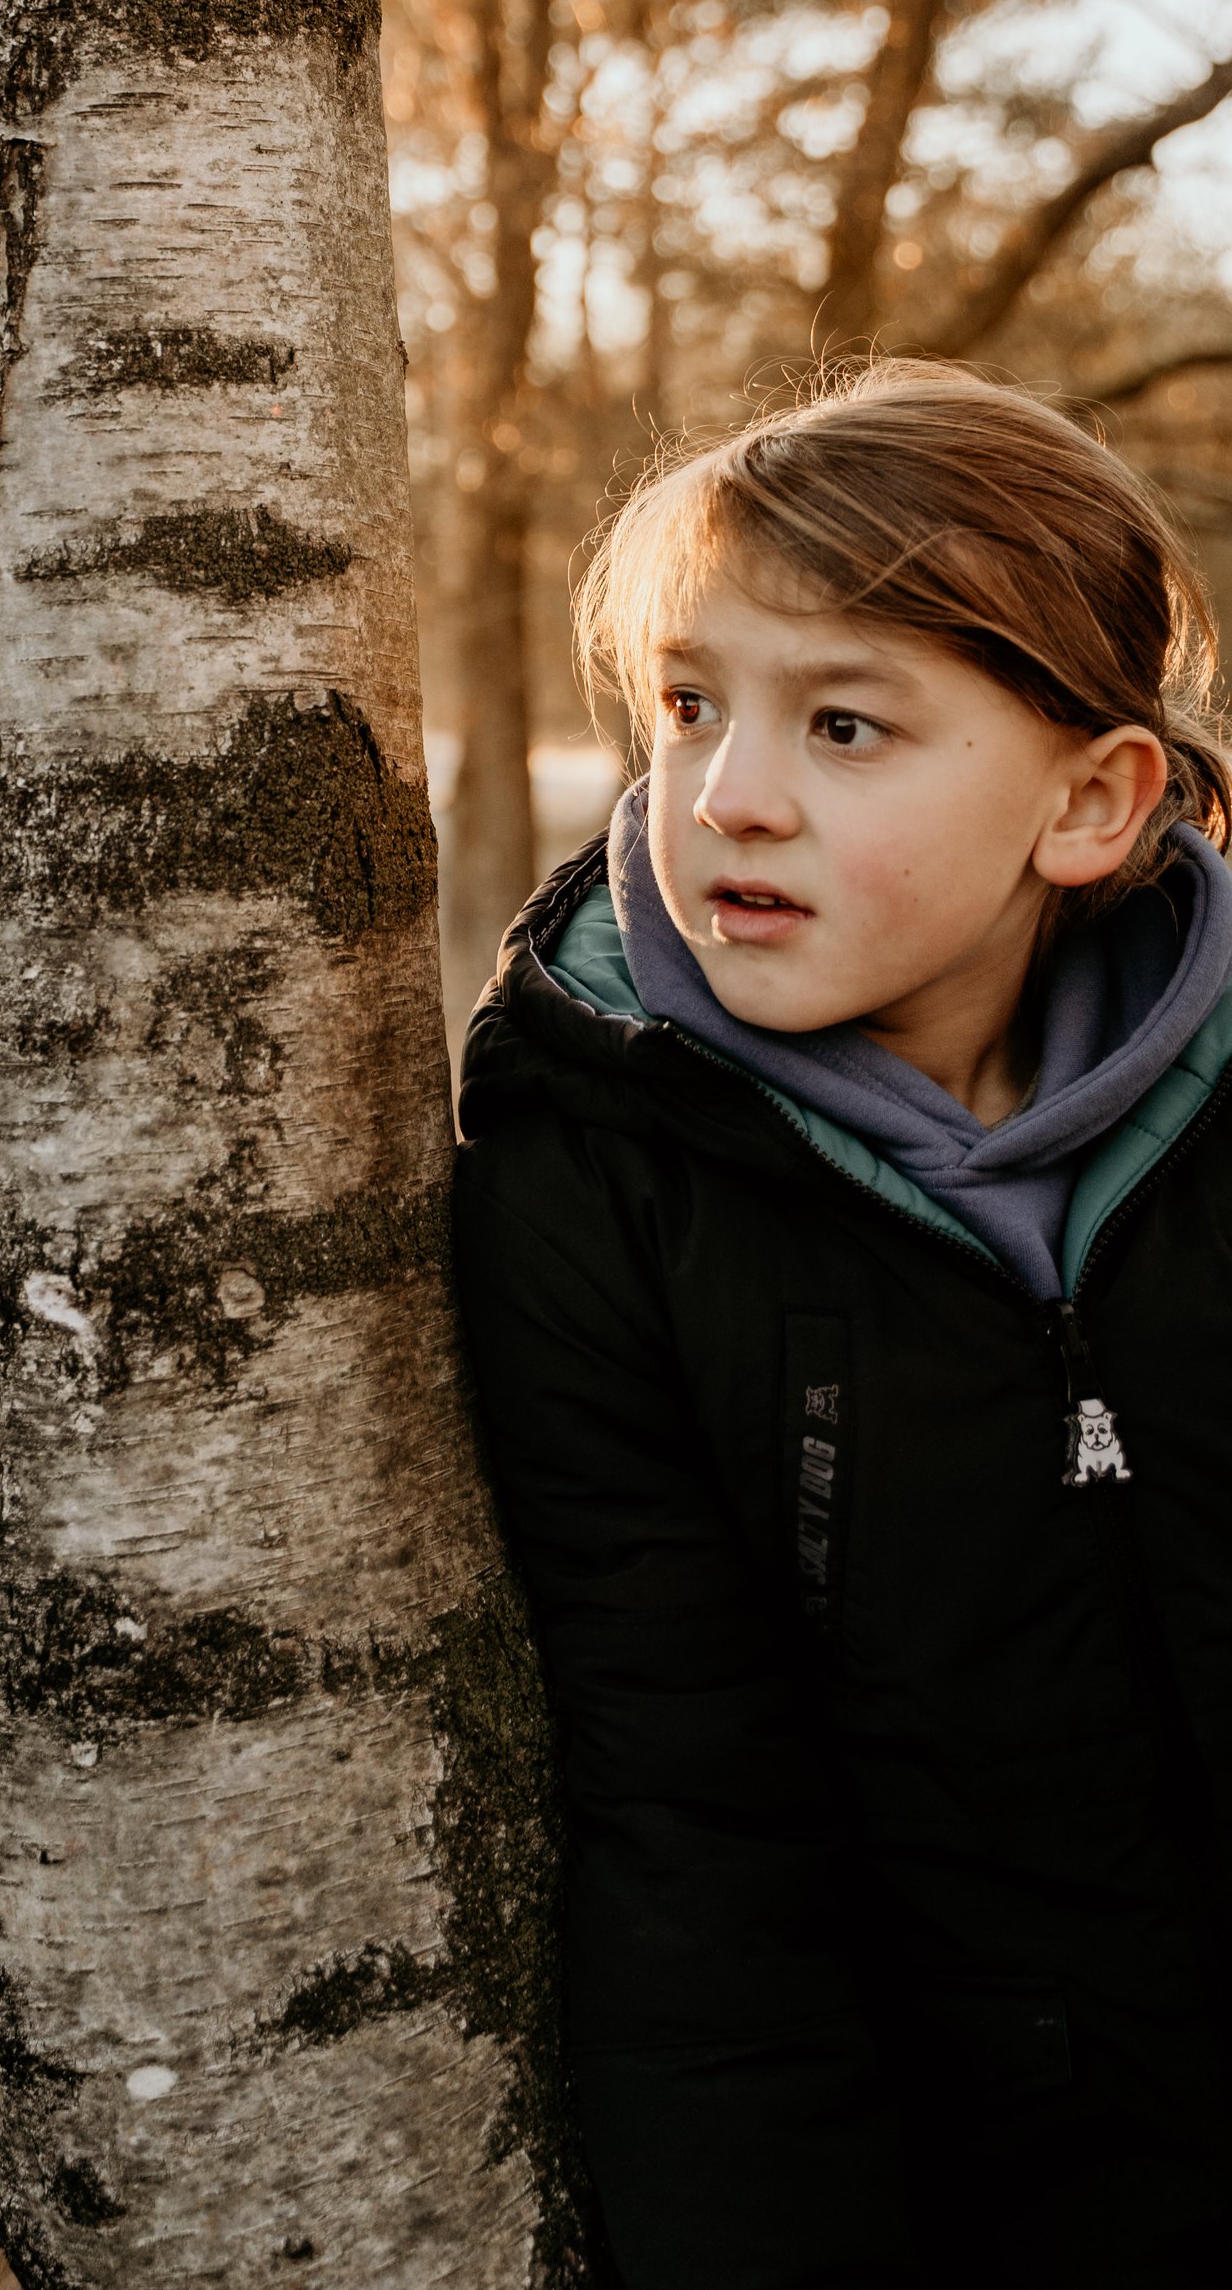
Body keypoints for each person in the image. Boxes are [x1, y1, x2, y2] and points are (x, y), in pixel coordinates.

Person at [453, 362, 1232, 2290]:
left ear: (1089, 797)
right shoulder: (596, 1174)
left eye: (850, 721)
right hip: (968, 2185)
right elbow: (698, 1834)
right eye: (692, 702)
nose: (730, 793)